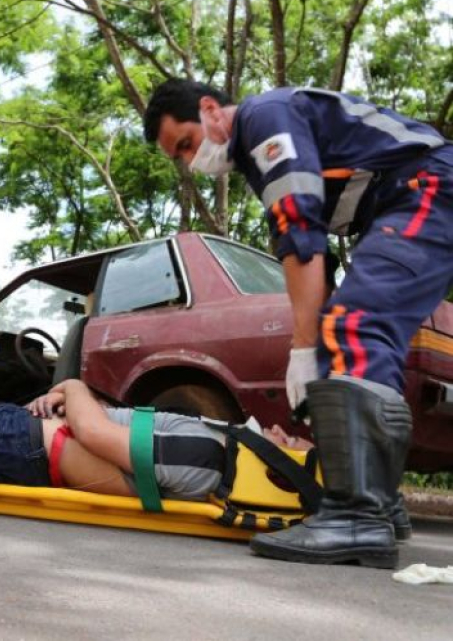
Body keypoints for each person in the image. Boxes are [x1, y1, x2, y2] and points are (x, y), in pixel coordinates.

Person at [143, 79, 452, 567]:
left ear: (209, 109)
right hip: (411, 199)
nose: (190, 160)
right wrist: (314, 345)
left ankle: (357, 517)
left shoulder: (265, 119)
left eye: (186, 142)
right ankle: (378, 502)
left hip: (428, 189)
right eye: (179, 157)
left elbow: (300, 229)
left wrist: (304, 349)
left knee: (355, 325)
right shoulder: (256, 155)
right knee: (351, 333)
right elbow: (309, 259)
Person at [0, 379, 315, 502]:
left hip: (6, 443)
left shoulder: (208, 457)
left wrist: (73, 388)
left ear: (285, 465)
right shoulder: (216, 450)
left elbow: (95, 435)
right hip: (11, 438)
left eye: (298, 443)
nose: (287, 431)